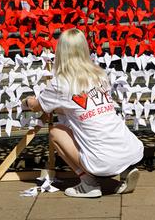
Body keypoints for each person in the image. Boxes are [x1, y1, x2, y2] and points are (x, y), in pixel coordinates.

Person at [22, 28, 144, 198]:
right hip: (130, 150)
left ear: (61, 52)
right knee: (96, 125)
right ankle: (126, 170)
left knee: (56, 132)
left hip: (102, 162)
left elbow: (37, 106)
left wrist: (26, 101)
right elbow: (81, 106)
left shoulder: (61, 83)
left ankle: (88, 183)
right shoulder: (99, 74)